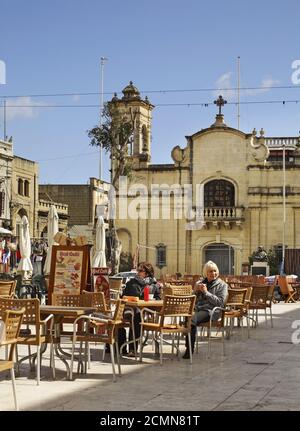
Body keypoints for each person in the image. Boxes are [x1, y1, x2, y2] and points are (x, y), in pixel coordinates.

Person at [182, 260, 228, 359]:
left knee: (191, 320)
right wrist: (196, 291)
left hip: (212, 311)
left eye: (215, 271)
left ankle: (189, 349)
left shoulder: (222, 285)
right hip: (199, 310)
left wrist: (206, 293)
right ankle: (188, 340)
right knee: (188, 316)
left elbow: (220, 302)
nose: (213, 273)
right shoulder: (201, 283)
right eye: (210, 271)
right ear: (205, 273)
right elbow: (192, 299)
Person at [118, 261, 161, 356]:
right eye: (138, 270)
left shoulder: (154, 284)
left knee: (138, 315)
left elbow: (158, 298)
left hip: (148, 311)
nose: (138, 272)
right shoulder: (131, 283)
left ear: (147, 273)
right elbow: (123, 297)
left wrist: (153, 299)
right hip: (130, 309)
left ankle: (132, 348)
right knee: (137, 316)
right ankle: (132, 349)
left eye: (141, 270)